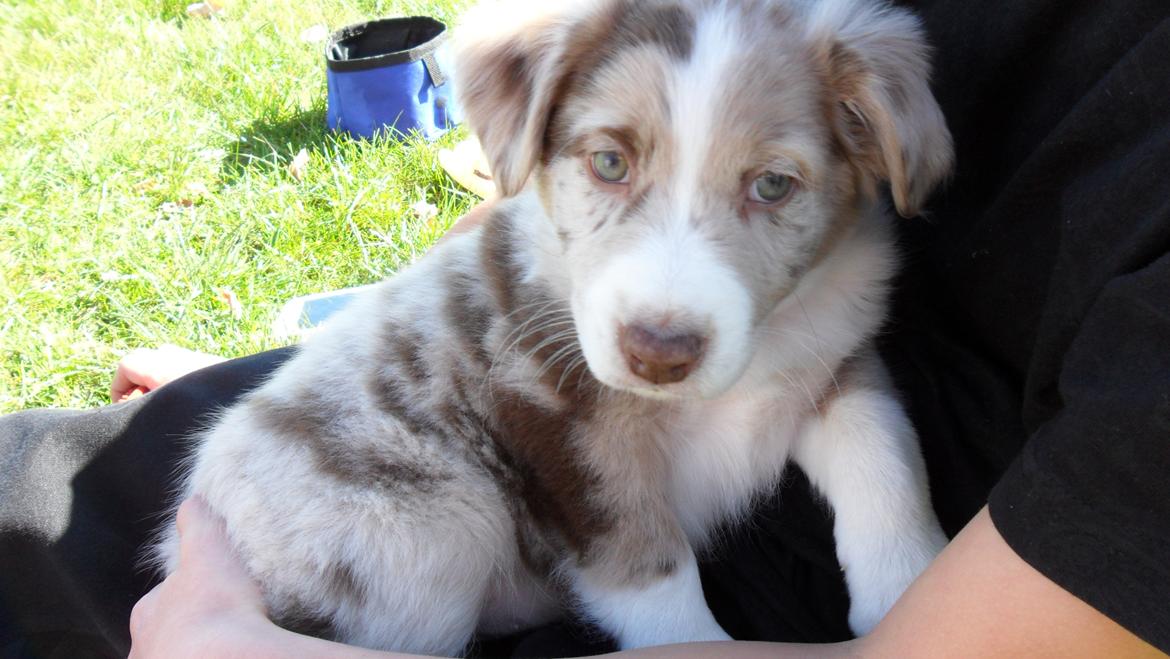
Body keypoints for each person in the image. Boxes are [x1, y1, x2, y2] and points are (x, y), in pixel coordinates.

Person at [2, 0, 1168, 656]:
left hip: (695, 608)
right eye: (611, 163)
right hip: (423, 447)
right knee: (20, 494)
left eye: (773, 185)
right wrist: (352, 349)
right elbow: (562, 182)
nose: (667, 305)